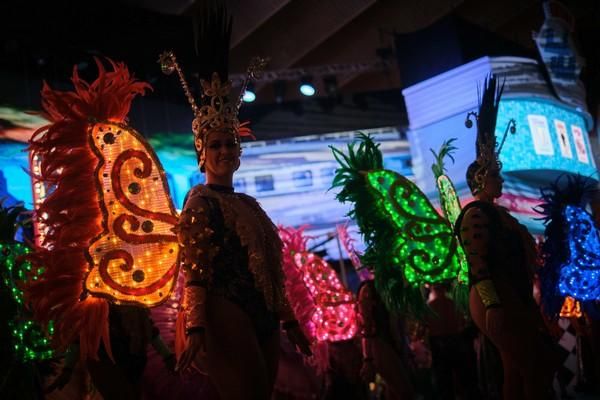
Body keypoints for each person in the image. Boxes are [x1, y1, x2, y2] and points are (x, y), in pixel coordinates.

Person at [162, 4, 310, 399]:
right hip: (225, 309)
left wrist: (289, 320)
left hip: (264, 314)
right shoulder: (199, 201)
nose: (225, 150)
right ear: (201, 152)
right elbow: (195, 267)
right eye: (216, 144)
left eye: (231, 143)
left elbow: (273, 270)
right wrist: (195, 327)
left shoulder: (250, 203)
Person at [454, 76, 560, 400]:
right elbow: (477, 263)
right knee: (536, 365)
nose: (501, 180)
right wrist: (493, 303)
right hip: (495, 295)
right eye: (496, 174)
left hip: (511, 294)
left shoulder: (500, 215)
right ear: (481, 178)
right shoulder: (476, 215)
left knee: (517, 369)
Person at [358, 279, 415, 400]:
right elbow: (366, 326)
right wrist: (367, 359)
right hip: (381, 343)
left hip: (396, 342)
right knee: (402, 390)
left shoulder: (394, 285)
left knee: (396, 390)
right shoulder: (368, 289)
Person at [425, 283, 480, 400]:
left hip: (439, 343)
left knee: (445, 383)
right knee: (463, 378)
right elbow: (461, 323)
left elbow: (426, 328)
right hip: (454, 340)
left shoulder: (429, 306)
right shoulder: (453, 303)